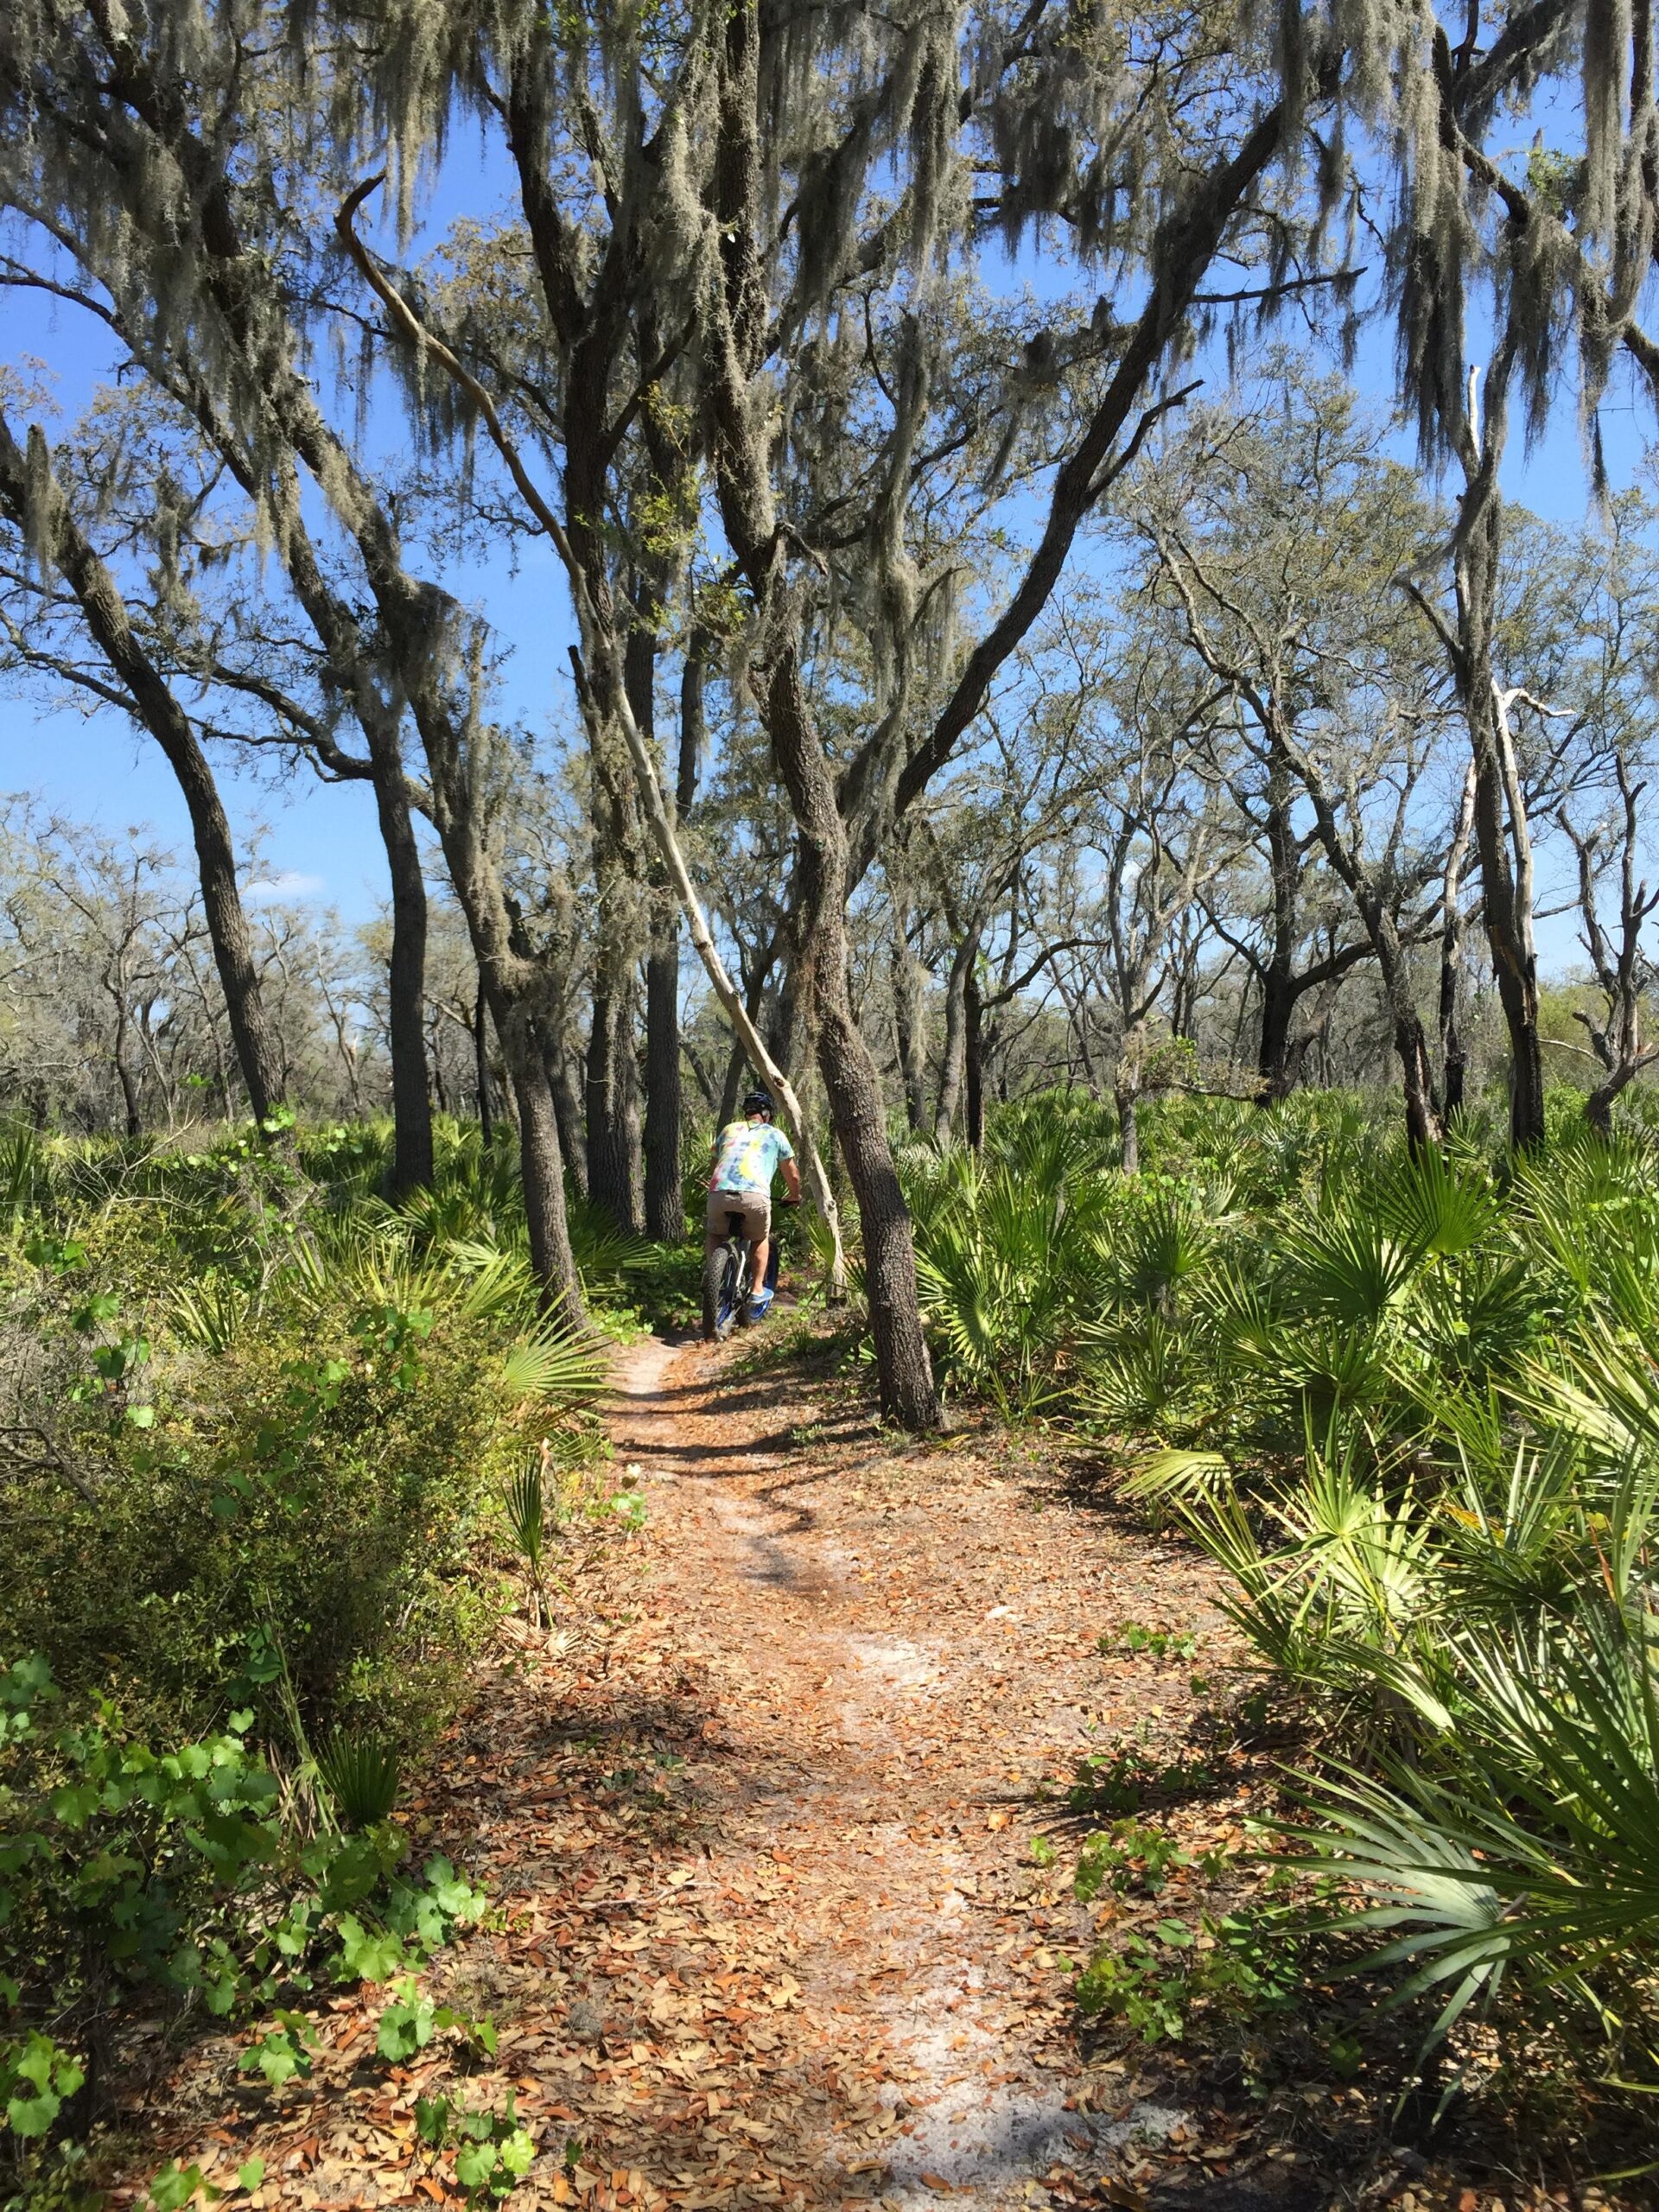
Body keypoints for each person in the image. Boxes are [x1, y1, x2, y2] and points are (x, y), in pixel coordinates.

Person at [706, 1087, 801, 1321]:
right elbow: (793, 1175)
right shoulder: (775, 1134)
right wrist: (794, 1195)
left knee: (715, 1233)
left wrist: (714, 1186)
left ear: (746, 1112)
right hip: (754, 1196)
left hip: (719, 1191)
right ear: (767, 1115)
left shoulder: (729, 1129)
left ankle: (712, 1278)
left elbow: (714, 1164)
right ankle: (757, 1288)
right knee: (760, 1237)